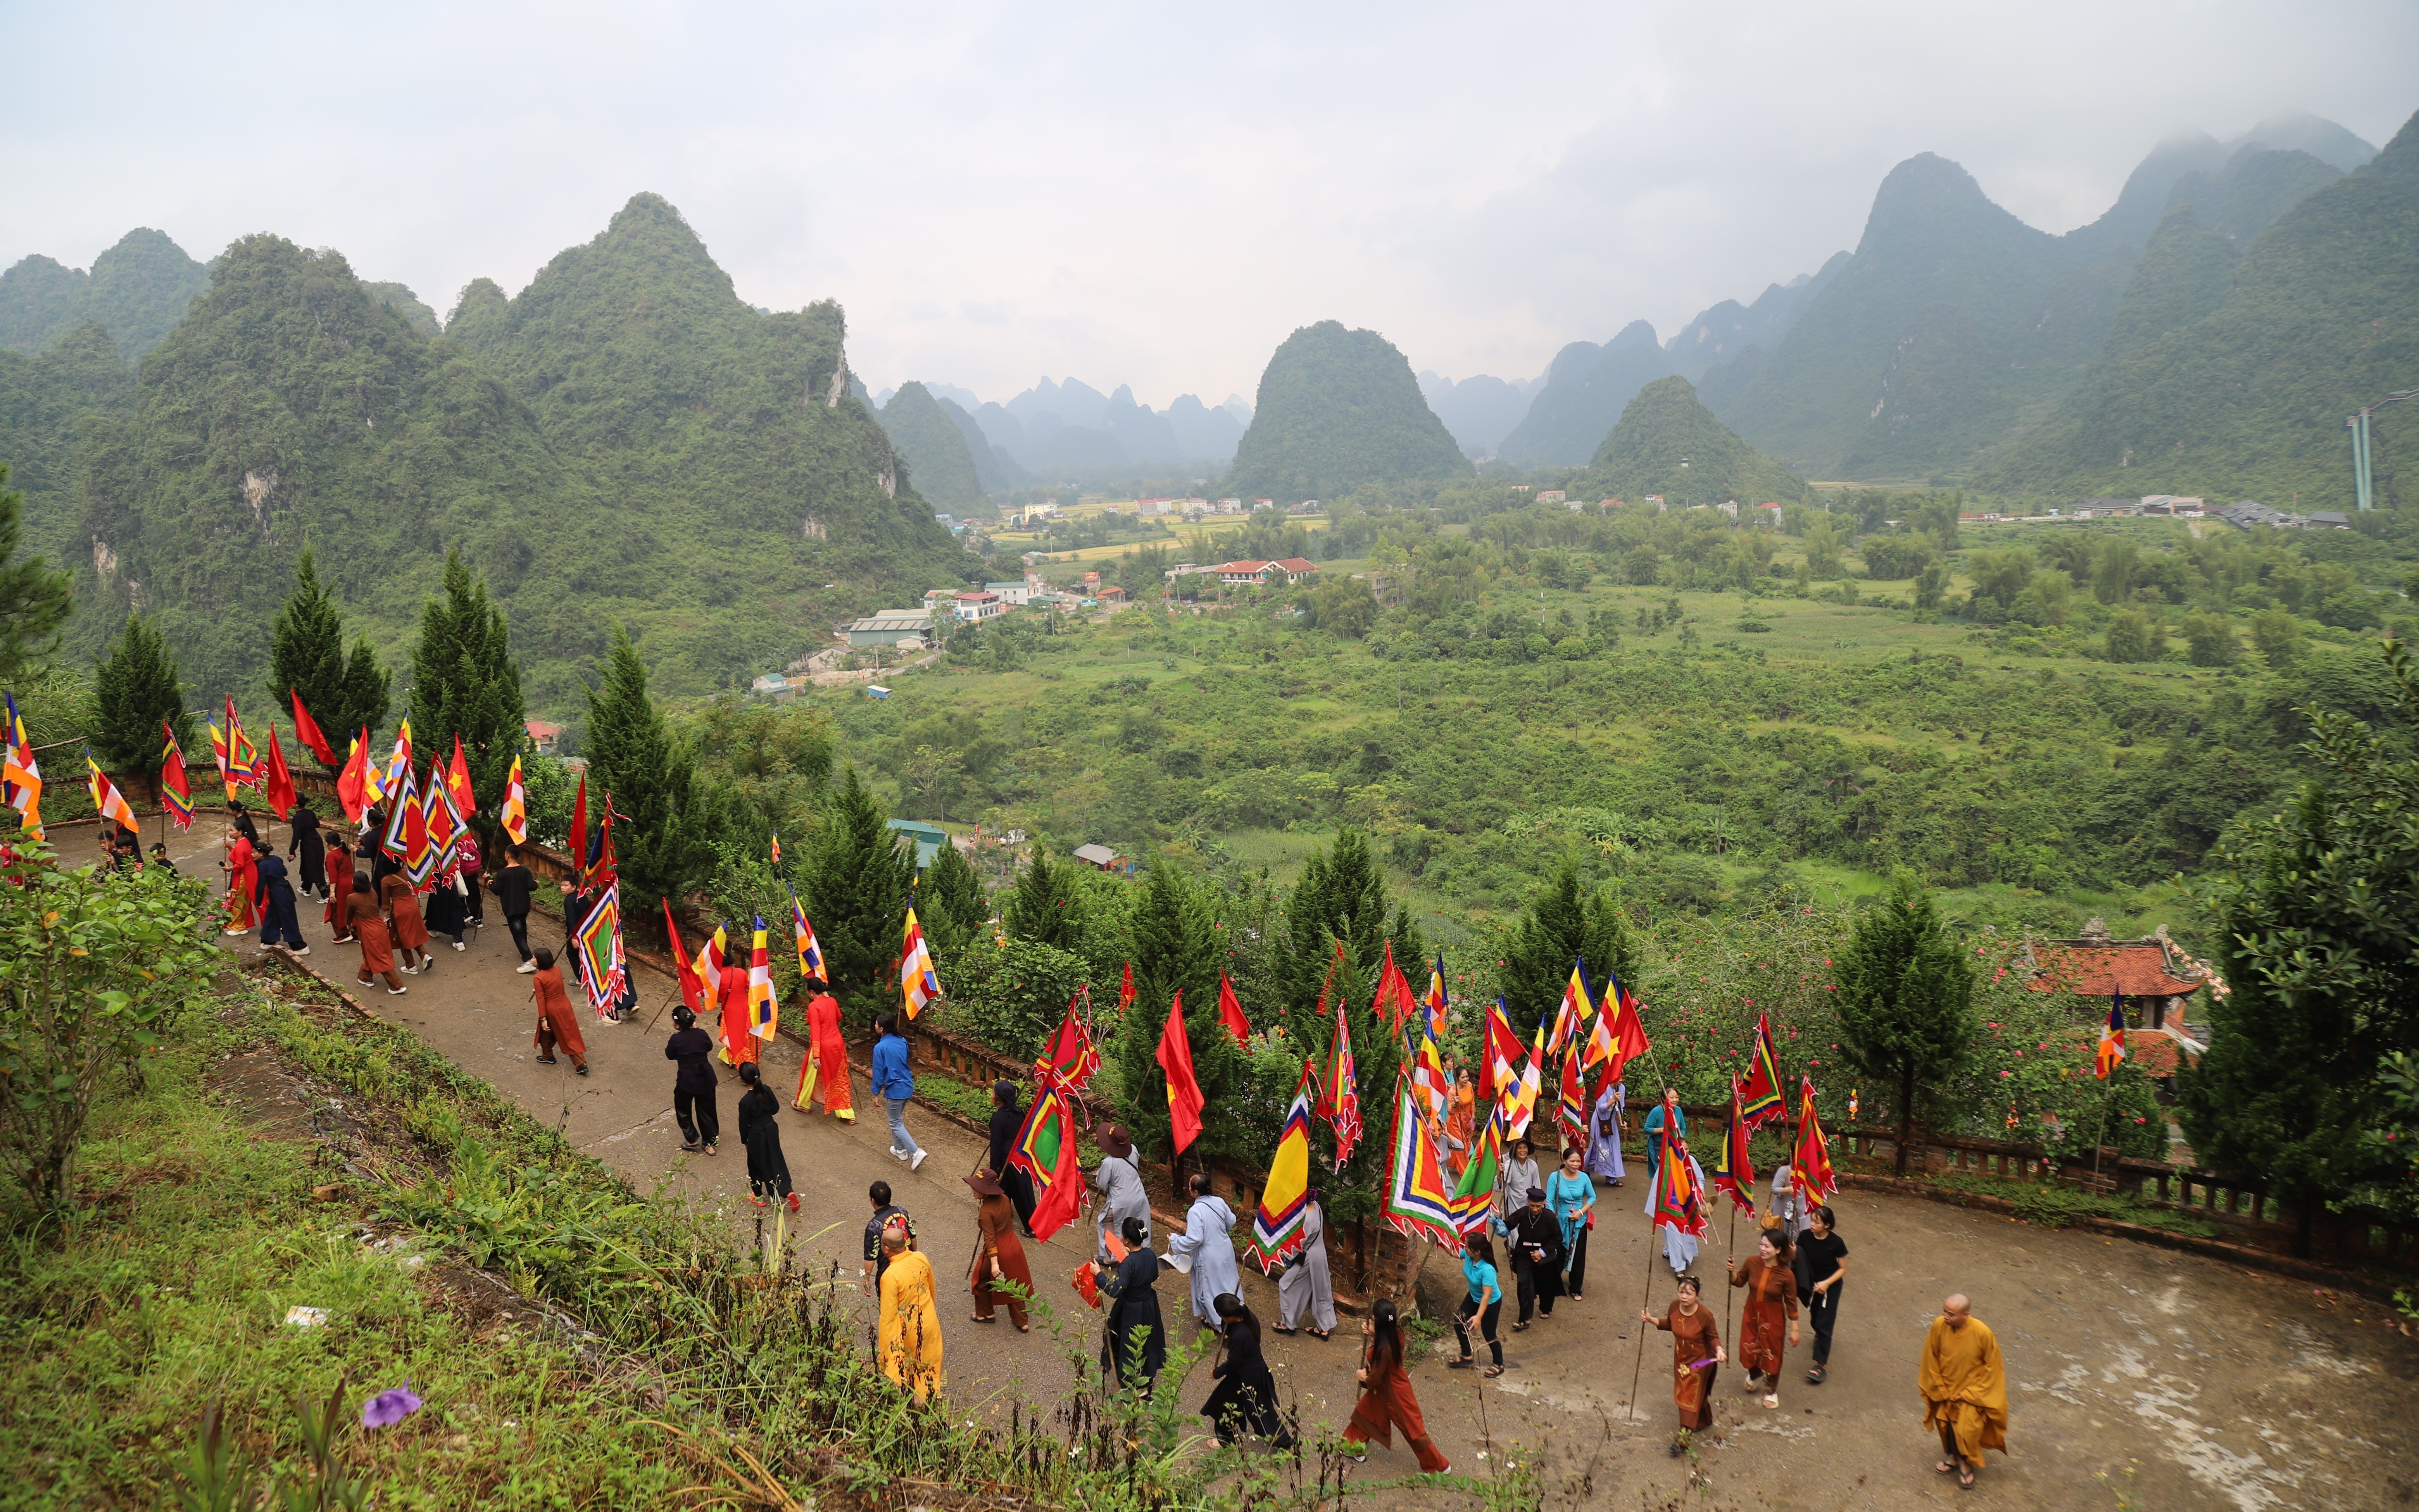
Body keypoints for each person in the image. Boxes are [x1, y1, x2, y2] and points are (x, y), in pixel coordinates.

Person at [1344, 1298, 1449, 1472]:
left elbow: (1375, 1378)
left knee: (1413, 1431)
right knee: (1364, 1415)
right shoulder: (1396, 1333)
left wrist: (1363, 1376)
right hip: (1386, 1390)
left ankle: (1438, 1465)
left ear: (1376, 1320)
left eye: (1373, 1319)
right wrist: (1373, 1334)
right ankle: (1351, 1446)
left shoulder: (1384, 1349)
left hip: (1394, 1395)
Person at [1920, 1293, 2008, 1491]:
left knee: (1967, 1430)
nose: (1946, 1317)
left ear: (1966, 1315)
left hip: (1970, 1392)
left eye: (1951, 1314)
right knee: (1947, 1427)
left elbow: (1993, 1367)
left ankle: (1967, 1463)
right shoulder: (1938, 1326)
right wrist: (1940, 1387)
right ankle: (1955, 1458)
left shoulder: (1983, 1333)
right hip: (1945, 1390)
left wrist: (1971, 1393)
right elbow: (1931, 1357)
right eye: (1944, 1311)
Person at [1643, 1275, 1725, 1454]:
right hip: (1681, 1361)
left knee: (1687, 1398)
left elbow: (1713, 1337)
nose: (1684, 1296)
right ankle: (1704, 1421)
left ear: (1698, 1295)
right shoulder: (1674, 1307)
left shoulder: (1705, 1315)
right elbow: (1671, 1325)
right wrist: (1651, 1319)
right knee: (1692, 1397)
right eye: (1682, 1292)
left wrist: (1719, 1350)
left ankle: (1683, 1439)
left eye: (1689, 1293)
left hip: (1700, 1363)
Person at [1201, 1293, 1292, 1448]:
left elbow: (1233, 1363)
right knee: (1231, 1405)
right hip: (1255, 1369)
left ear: (1228, 1316)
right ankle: (1228, 1439)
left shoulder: (1240, 1336)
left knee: (1257, 1412)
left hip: (1246, 1376)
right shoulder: (1249, 1317)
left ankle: (1282, 1441)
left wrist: (1217, 1373)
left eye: (1221, 1316)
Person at [1728, 1228, 1801, 1409]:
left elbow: (1792, 1303)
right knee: (1748, 1348)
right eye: (1761, 1244)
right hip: (1752, 1313)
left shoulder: (1787, 1275)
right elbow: (1739, 1282)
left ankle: (1771, 1390)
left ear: (1778, 1250)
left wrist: (1795, 1329)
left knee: (1772, 1353)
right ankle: (1755, 1374)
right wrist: (1732, 1271)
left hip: (1773, 1317)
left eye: (1767, 1246)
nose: (1762, 1249)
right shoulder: (1752, 1262)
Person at [1096, 1215, 1166, 1395]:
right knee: (1147, 1342)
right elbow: (1154, 1276)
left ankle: (1128, 1380)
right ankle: (1147, 1377)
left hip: (1131, 1309)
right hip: (1149, 1304)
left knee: (1129, 1343)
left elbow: (1115, 1291)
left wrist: (1099, 1275)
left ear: (1126, 1240)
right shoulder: (1150, 1254)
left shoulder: (1128, 1263)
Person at [877, 1224, 943, 1403]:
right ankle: (932, 1397)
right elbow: (931, 1287)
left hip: (911, 1328)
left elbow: (888, 1316)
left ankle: (920, 1410)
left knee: (914, 1369)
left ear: (886, 1249)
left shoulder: (890, 1275)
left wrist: (886, 1351)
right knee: (929, 1365)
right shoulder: (920, 1257)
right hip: (929, 1319)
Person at [1170, 1172, 1241, 1329]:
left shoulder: (1195, 1211)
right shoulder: (1219, 1201)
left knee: (1210, 1287)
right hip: (1225, 1249)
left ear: (1196, 1192)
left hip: (1208, 1255)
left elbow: (1195, 1239)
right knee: (1228, 1282)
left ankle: (1216, 1322)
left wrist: (1175, 1240)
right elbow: (1232, 1220)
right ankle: (1236, 1314)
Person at [965, 1172, 1032, 1331]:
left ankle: (985, 1313)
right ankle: (1022, 1321)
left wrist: (995, 1263)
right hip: (1013, 1245)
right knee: (1014, 1283)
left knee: (981, 1279)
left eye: (977, 1187)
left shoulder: (986, 1211)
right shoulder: (1005, 1199)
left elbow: (990, 1239)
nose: (973, 1190)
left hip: (998, 1251)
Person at [1794, 1204, 1848, 1384]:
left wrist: (1826, 1283)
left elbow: (1843, 1269)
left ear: (1827, 1225)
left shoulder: (1837, 1243)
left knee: (1825, 1323)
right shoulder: (1804, 1237)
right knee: (1816, 1318)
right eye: (1812, 1220)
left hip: (1830, 1285)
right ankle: (1820, 1335)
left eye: (1817, 1222)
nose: (1812, 1224)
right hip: (1813, 1283)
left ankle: (1820, 1365)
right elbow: (1797, 1255)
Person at [1275, 1188, 1335, 1338]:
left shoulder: (1307, 1220)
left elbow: (1299, 1245)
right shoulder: (1316, 1206)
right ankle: (1324, 1327)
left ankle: (1288, 1324)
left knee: (1286, 1284)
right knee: (1320, 1289)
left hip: (1309, 1258)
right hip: (1319, 1253)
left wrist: (1284, 1254)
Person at [1502, 1185, 1563, 1329]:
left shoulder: (1549, 1217)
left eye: (1538, 1206)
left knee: (1545, 1284)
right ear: (1528, 1203)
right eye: (1532, 1206)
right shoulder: (1523, 1213)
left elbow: (1558, 1238)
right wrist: (1499, 1221)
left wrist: (1542, 1253)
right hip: (1524, 1254)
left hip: (1544, 1255)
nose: (1535, 1209)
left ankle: (1546, 1307)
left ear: (1543, 1205)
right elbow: (1508, 1226)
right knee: (1523, 1284)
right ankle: (1525, 1318)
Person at [737, 1062, 795, 1211]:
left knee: (756, 1164)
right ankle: (787, 1191)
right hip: (771, 1129)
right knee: (776, 1159)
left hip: (756, 1134)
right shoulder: (767, 1090)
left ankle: (758, 1196)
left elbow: (744, 1125)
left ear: (743, 1080)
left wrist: (746, 1142)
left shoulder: (745, 1102)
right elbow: (775, 1109)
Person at [794, 978, 854, 1122]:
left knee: (809, 1072)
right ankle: (848, 1114)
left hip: (823, 1046)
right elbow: (839, 1017)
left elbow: (815, 1031)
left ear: (812, 992)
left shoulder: (814, 1007)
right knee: (839, 1078)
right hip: (838, 1044)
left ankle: (804, 1104)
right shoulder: (832, 1001)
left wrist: (816, 1055)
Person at [870, 1013, 923, 1170]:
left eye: (877, 1025)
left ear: (882, 1029)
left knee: (895, 1123)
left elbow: (879, 1072)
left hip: (895, 1090)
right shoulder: (902, 1041)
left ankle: (915, 1152)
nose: (875, 1026)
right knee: (897, 1120)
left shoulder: (880, 1048)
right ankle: (900, 1150)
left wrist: (876, 1093)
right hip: (907, 1086)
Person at [1449, 1231, 1504, 1377]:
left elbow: (1487, 1296)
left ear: (1478, 1251)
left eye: (1467, 1247)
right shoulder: (1469, 1256)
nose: (1465, 1248)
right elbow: (1454, 1253)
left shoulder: (1488, 1270)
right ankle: (1467, 1355)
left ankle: (1499, 1363)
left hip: (1491, 1302)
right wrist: (1440, 1238)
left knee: (1489, 1334)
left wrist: (1478, 1317)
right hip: (1474, 1297)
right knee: (1458, 1322)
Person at [1091, 1125, 1150, 1262]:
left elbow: (1102, 1184)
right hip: (1139, 1197)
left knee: (1106, 1223)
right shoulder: (1134, 1150)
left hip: (1121, 1201)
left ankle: (1110, 1257)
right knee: (1138, 1226)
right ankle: (1140, 1255)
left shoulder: (1109, 1163)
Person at [665, 1005, 719, 1154]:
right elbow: (708, 1047)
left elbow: (670, 1055)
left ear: (677, 1024)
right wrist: (695, 1031)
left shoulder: (676, 1039)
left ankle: (692, 1138)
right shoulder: (701, 1034)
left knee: (683, 1107)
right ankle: (710, 1144)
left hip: (687, 1079)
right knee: (707, 1109)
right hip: (707, 1076)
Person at [985, 1080, 1036, 1234]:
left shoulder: (998, 1119)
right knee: (1006, 1190)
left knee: (1021, 1193)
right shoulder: (1019, 1113)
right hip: (1020, 1155)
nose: (992, 1095)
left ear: (999, 1099)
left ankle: (1032, 1229)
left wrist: (993, 1172)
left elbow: (996, 1148)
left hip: (1007, 1160)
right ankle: (1000, 1216)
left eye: (994, 1093)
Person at [1546, 1146, 1596, 1300]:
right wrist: (1553, 1219)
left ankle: (1576, 1288)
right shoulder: (1555, 1177)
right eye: (1572, 1161)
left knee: (1579, 1255)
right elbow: (1549, 1201)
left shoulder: (1584, 1177)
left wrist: (1581, 1213)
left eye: (1579, 1161)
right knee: (1558, 1254)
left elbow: (1593, 1198)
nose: (1576, 1164)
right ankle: (1553, 1282)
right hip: (1560, 1221)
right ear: (1564, 1161)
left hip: (1579, 1221)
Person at [530, 947, 587, 1075]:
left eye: (534, 958)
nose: (532, 960)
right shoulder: (557, 970)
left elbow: (541, 1000)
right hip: (565, 1006)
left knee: (564, 1035)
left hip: (552, 1011)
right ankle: (547, 1056)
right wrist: (540, 990)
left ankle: (580, 1064)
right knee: (565, 1032)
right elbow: (553, 987)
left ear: (541, 961)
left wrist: (543, 1019)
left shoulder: (538, 978)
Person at [345, 872, 404, 995]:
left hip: (368, 930)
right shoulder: (373, 892)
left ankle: (396, 985)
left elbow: (349, 915)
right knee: (371, 952)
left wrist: (349, 925)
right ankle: (366, 976)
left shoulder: (352, 898)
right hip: (379, 926)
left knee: (378, 956)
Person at [862, 1181, 916, 1295]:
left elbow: (870, 1257)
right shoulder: (902, 1212)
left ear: (873, 1201)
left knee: (889, 1308)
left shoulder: (874, 1226)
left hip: (888, 1273)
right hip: (910, 1267)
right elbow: (913, 1237)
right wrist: (914, 1255)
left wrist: (867, 1279)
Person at [253, 849, 307, 956]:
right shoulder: (276, 859)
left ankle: (300, 946)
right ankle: (268, 940)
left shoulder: (263, 865)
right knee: (272, 915)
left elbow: (261, 885)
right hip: (283, 889)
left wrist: (258, 901)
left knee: (286, 917)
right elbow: (284, 872)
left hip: (278, 892)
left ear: (262, 853)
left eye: (254, 852)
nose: (252, 855)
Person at [379, 869, 431, 975]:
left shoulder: (386, 880)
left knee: (401, 937)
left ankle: (411, 965)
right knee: (413, 933)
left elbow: (385, 903)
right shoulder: (406, 871)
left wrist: (385, 917)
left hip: (400, 910)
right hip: (412, 905)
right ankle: (424, 955)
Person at [492, 846, 537, 971]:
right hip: (524, 906)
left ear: (507, 855)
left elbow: (497, 891)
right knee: (522, 927)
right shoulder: (525, 871)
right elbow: (532, 886)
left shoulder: (503, 874)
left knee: (517, 933)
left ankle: (529, 960)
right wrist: (537, 884)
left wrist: (490, 881)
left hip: (511, 908)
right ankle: (524, 951)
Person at [716, 938, 756, 1071]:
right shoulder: (741, 972)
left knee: (735, 1038)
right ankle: (747, 1060)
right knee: (746, 1037)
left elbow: (707, 994)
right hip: (746, 1009)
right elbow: (750, 987)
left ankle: (741, 1063)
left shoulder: (716, 978)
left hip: (730, 1012)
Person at [1586, 1078, 1626, 1186]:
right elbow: (1601, 1108)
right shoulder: (1604, 1088)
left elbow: (1620, 1108)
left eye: (1624, 1078)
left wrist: (1622, 1121)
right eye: (1619, 1077)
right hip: (1600, 1121)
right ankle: (1586, 1170)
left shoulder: (1622, 1088)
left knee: (1614, 1148)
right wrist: (1613, 1100)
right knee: (1598, 1149)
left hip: (1611, 1122)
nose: (1621, 1080)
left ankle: (1611, 1178)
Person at [221, 828, 259, 936]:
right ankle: (240, 924)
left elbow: (240, 864)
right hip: (248, 874)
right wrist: (229, 847)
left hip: (243, 876)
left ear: (240, 832)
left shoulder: (240, 846)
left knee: (238, 901)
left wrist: (229, 869)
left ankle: (238, 926)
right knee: (243, 901)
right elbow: (240, 856)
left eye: (232, 830)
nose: (230, 833)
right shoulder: (245, 841)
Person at [1641, 1088, 1686, 1181]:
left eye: (1677, 1097)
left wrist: (1681, 1141)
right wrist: (1663, 1130)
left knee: (1674, 1171)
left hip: (1674, 1145)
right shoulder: (1657, 1111)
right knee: (1662, 1173)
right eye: (1672, 1097)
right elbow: (1647, 1129)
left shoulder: (1678, 1110)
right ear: (1664, 1098)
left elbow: (1683, 1128)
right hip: (1658, 1145)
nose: (1675, 1100)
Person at [288, 798, 326, 900]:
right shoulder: (310, 812)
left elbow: (297, 835)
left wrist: (292, 851)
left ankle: (325, 894)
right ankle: (306, 888)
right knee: (308, 865)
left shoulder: (298, 818)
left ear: (296, 804)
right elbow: (317, 825)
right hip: (316, 840)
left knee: (314, 867)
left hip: (309, 844)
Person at [322, 831, 355, 942]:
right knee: (351, 908)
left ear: (331, 844)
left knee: (336, 911)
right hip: (351, 883)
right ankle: (356, 932)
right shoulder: (345, 852)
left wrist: (332, 892)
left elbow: (333, 876)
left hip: (340, 886)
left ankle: (343, 933)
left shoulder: (331, 856)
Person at [425, 866, 467, 952]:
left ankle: (432, 928)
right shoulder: (451, 853)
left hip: (436, 881)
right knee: (455, 909)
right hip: (450, 881)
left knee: (435, 906)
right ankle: (458, 940)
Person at [1497, 1136, 1540, 1218]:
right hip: (1513, 1201)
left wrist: (1538, 1202)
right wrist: (1500, 1173)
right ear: (1515, 1150)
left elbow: (1537, 1186)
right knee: (1514, 1227)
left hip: (1528, 1202)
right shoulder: (1510, 1165)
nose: (1523, 1151)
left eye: (1525, 1148)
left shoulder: (1533, 1165)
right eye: (1520, 1148)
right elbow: (1502, 1184)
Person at [1444, 1068, 1476, 1179]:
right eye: (1463, 1077)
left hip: (1467, 1120)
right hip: (1456, 1122)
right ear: (1457, 1078)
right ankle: (1466, 1174)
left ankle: (1455, 1164)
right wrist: (1454, 1104)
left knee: (1467, 1144)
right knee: (1461, 1146)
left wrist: (1473, 1115)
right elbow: (1450, 1111)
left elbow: (1472, 1101)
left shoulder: (1470, 1086)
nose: (1466, 1079)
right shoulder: (1453, 1091)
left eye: (1467, 1076)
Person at [456, 829, 483, 928]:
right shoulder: (465, 832)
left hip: (460, 870)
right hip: (471, 869)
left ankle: (465, 914)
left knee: (460, 892)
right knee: (474, 893)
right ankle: (477, 918)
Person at [1768, 1160, 1800, 1243]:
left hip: (1798, 1210)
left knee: (1795, 1238)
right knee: (1780, 1237)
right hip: (1784, 1208)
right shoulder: (1785, 1170)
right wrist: (1788, 1190)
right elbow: (1774, 1189)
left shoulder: (1804, 1172)